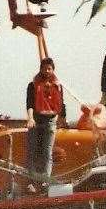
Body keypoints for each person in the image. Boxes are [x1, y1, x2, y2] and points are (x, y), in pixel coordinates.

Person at [25, 57, 66, 191]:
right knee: (32, 151)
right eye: (45, 68)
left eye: (49, 69)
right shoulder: (33, 85)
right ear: (41, 69)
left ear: (53, 70)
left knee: (47, 152)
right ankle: (31, 182)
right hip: (36, 120)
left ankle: (45, 181)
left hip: (50, 121)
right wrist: (30, 119)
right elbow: (30, 103)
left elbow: (61, 105)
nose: (47, 71)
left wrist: (62, 120)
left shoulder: (58, 86)